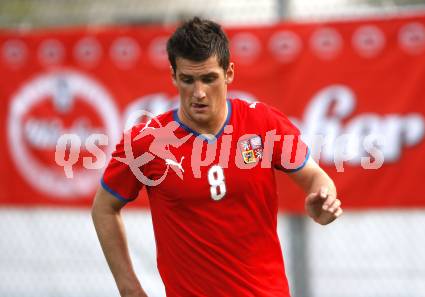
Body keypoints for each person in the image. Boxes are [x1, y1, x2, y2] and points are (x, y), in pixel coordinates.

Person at [92, 17, 342, 297]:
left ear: (229, 73)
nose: (198, 93)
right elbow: (104, 208)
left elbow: (316, 177)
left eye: (209, 78)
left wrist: (325, 199)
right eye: (188, 79)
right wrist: (130, 289)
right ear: (173, 76)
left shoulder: (263, 124)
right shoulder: (147, 141)